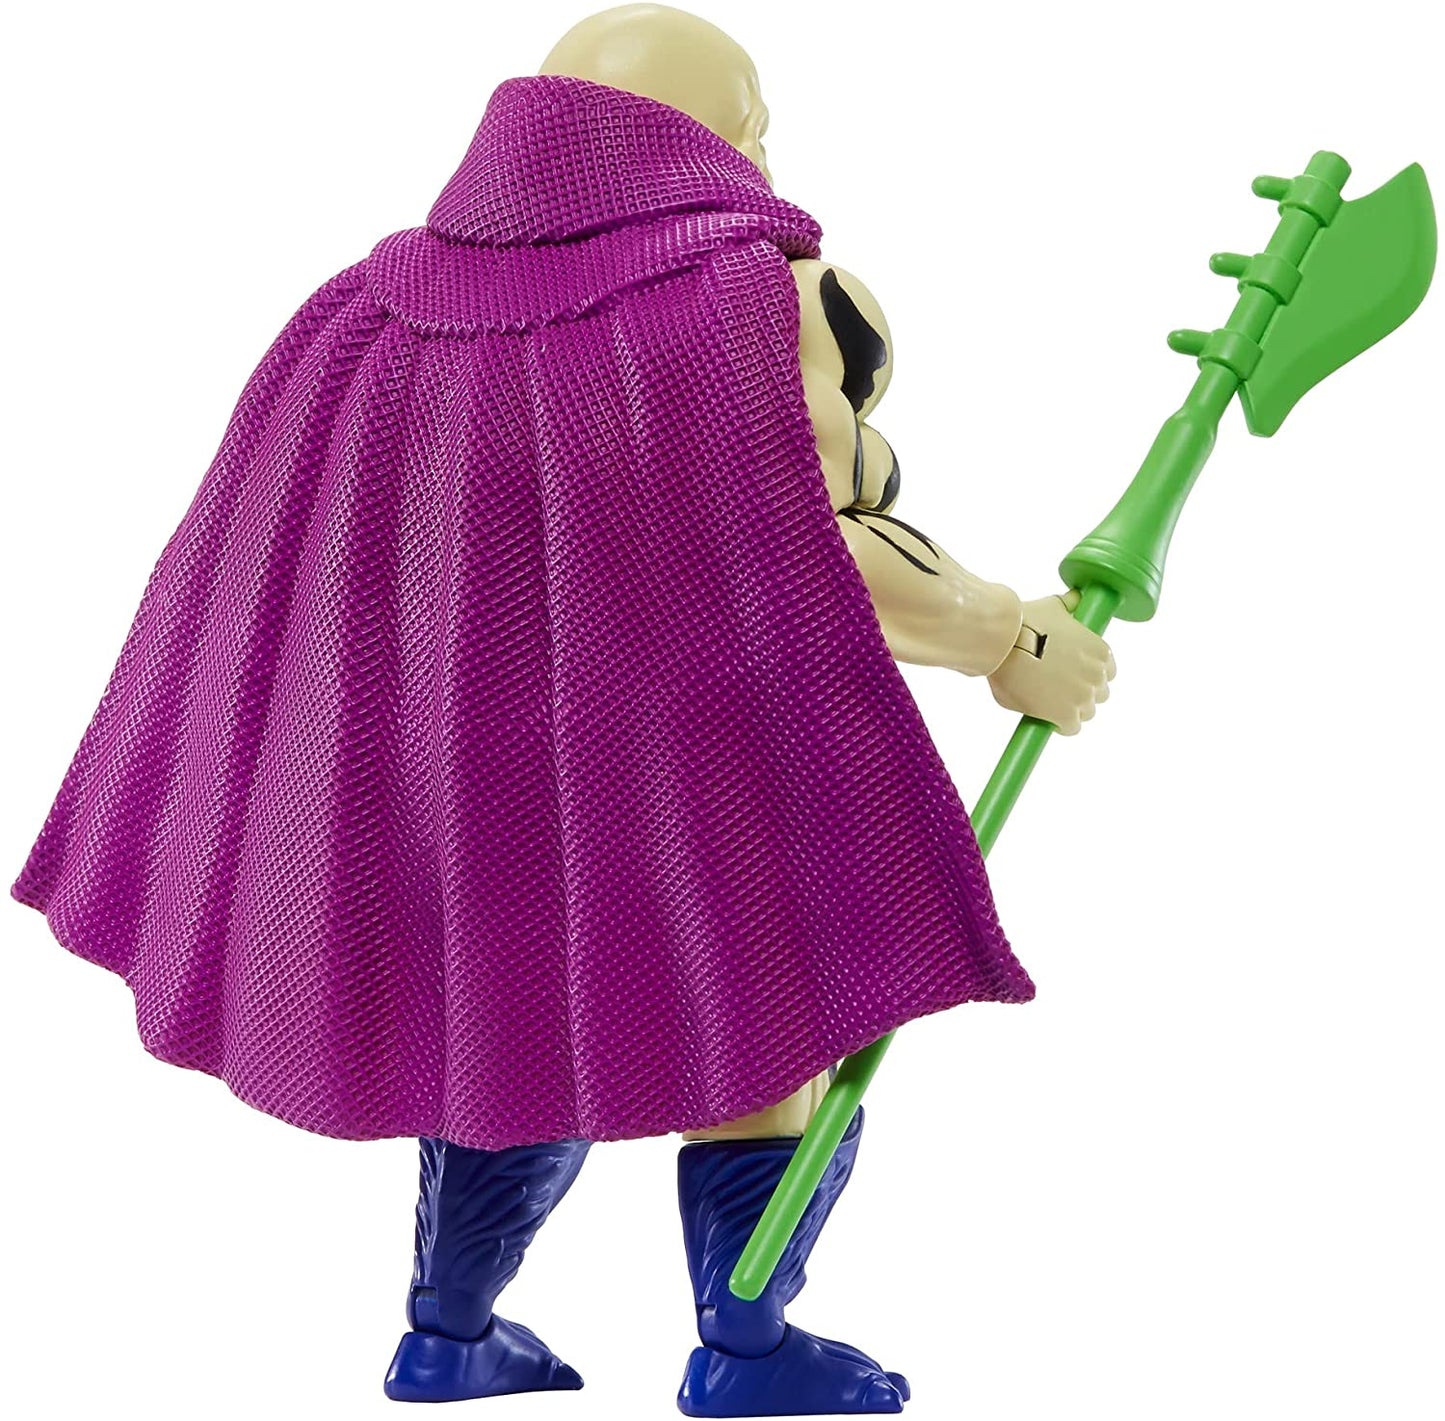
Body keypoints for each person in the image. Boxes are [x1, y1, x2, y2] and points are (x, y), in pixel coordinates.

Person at [12, 6, 1112, 1416]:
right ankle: (747, 1351)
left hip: (434, 775)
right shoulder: (754, 297)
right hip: (674, 760)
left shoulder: (365, 307)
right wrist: (1012, 635)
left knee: (499, 1036)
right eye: (753, 124)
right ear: (719, 136)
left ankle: (448, 1336)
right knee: (764, 1037)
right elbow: (811, 539)